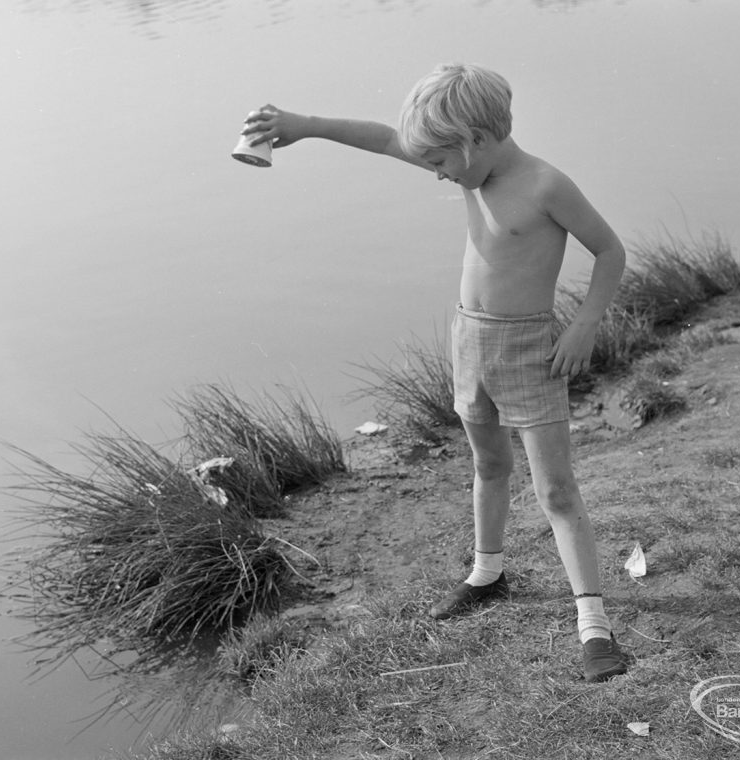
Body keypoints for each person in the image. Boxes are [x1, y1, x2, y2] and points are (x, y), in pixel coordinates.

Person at [241, 63, 628, 682]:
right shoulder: (469, 164)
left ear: (474, 139)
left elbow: (610, 251)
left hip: (529, 349)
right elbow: (382, 138)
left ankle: (594, 624)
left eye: (443, 162)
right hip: (469, 339)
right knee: (487, 465)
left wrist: (583, 326)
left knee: (555, 489)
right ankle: (487, 573)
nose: (439, 174)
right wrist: (304, 126)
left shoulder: (546, 185)